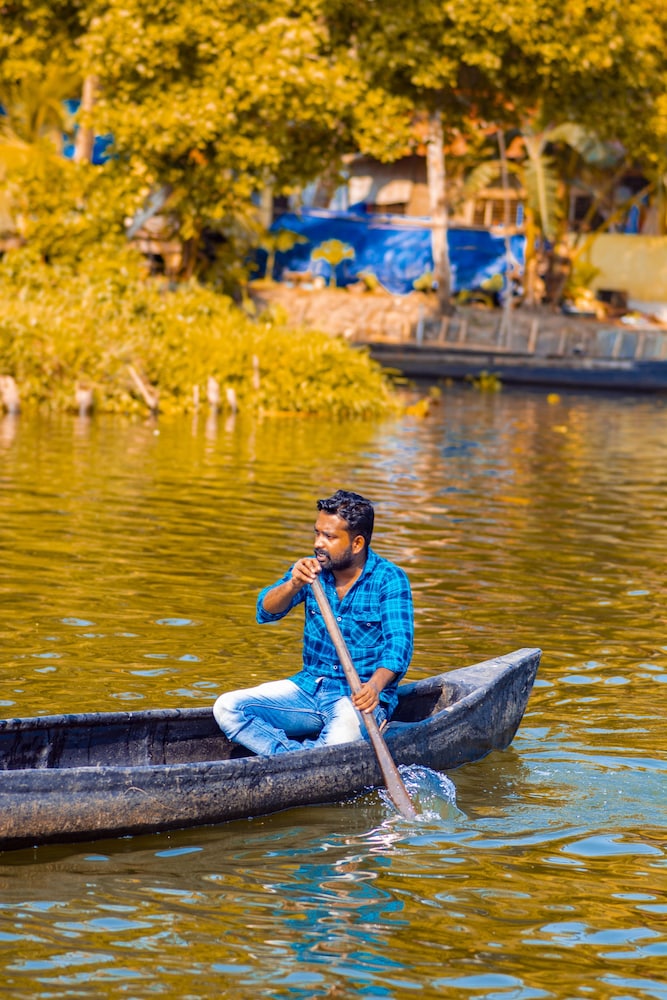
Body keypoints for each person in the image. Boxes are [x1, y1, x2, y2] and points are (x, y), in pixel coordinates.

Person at [213, 489, 413, 755]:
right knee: (227, 707)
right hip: (309, 689)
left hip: (357, 698)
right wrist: (294, 584)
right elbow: (265, 610)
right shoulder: (311, 570)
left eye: (329, 537)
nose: (319, 543)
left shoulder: (389, 579)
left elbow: (399, 647)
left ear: (357, 544)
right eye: (317, 533)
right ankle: (294, 757)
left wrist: (374, 687)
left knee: (339, 741)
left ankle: (300, 760)